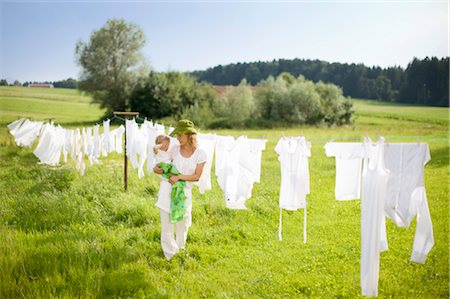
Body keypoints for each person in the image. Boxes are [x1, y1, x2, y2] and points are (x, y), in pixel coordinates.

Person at [153, 119, 206, 260]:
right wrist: (156, 167)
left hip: (183, 192)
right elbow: (161, 163)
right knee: (166, 223)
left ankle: (180, 250)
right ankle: (170, 253)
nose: (177, 138)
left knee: (182, 224)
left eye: (180, 135)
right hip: (167, 189)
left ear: (189, 135)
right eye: (176, 135)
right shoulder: (175, 149)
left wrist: (178, 177)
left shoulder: (200, 154)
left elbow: (196, 177)